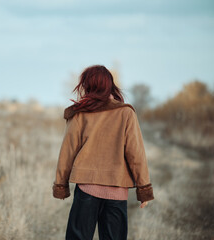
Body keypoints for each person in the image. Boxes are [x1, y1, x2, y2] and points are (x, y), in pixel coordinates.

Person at [52, 65, 154, 240]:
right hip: (117, 190)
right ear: (110, 85)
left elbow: (67, 152)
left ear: (87, 85)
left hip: (86, 188)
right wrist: (143, 188)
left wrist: (61, 185)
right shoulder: (126, 113)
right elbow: (136, 154)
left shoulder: (80, 113)